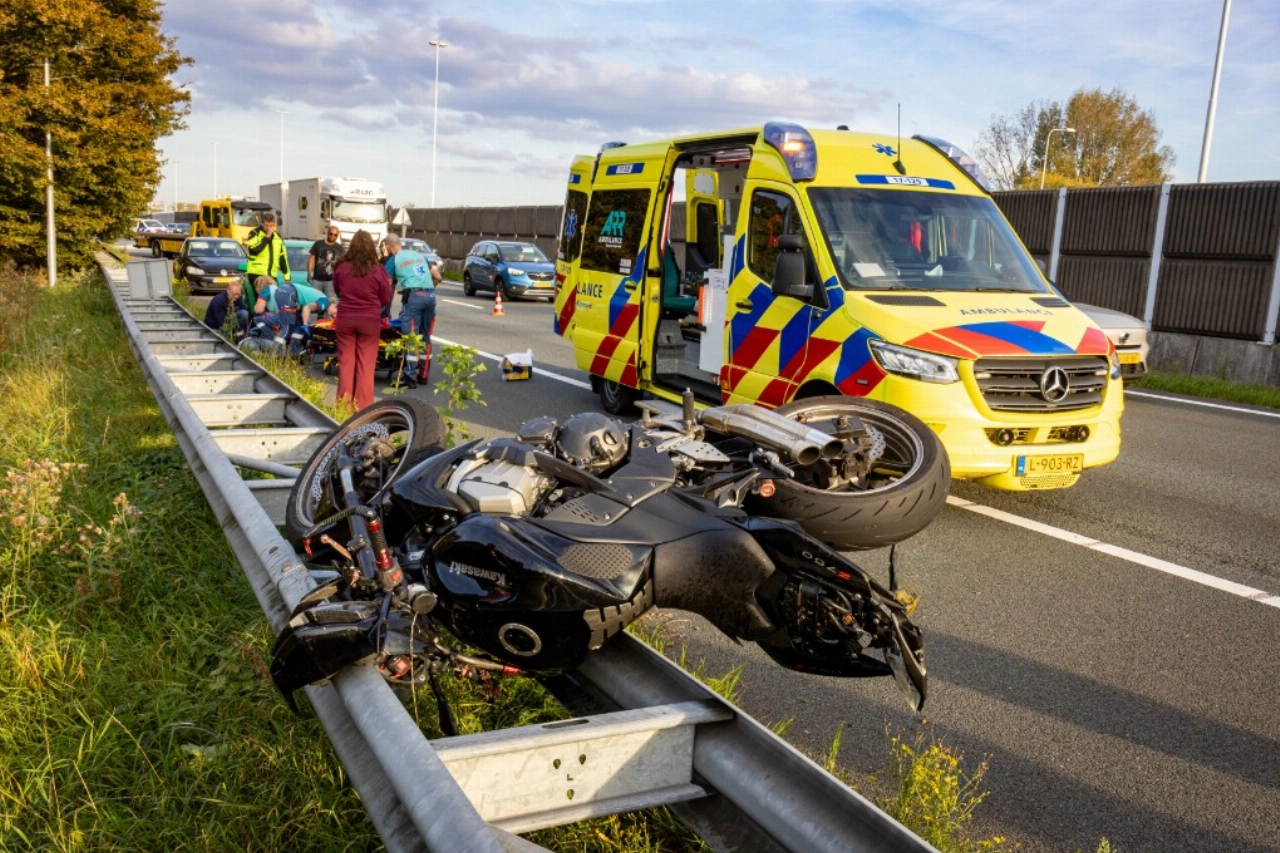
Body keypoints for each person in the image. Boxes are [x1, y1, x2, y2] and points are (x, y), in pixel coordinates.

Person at [333, 230, 392, 410]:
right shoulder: (378, 269)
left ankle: (343, 407)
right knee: (366, 364)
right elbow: (385, 296)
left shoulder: (341, 267)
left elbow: (337, 290)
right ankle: (363, 407)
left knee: (346, 363)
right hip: (369, 320)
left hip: (345, 318)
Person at [382, 233, 441, 388]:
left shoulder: (393, 260)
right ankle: (423, 375)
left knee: (411, 338)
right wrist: (427, 290)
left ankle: (409, 377)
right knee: (425, 336)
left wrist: (382, 306)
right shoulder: (419, 256)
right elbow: (438, 277)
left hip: (414, 297)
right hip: (430, 296)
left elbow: (385, 285)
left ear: (387, 246)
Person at [244, 212, 290, 302]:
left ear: (274, 225)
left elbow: (282, 258)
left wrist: (287, 277)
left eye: (271, 226)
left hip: (271, 274)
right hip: (257, 273)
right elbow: (254, 250)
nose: (269, 228)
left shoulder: (278, 237)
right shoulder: (254, 233)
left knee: (273, 300)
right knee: (262, 299)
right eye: (266, 225)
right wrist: (267, 237)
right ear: (262, 224)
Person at [308, 227, 344, 301]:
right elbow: (312, 258)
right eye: (331, 234)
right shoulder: (318, 244)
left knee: (329, 304)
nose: (332, 236)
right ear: (328, 233)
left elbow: (342, 265)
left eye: (335, 235)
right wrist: (309, 273)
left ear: (337, 236)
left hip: (331, 282)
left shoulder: (340, 248)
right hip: (317, 280)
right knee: (314, 302)